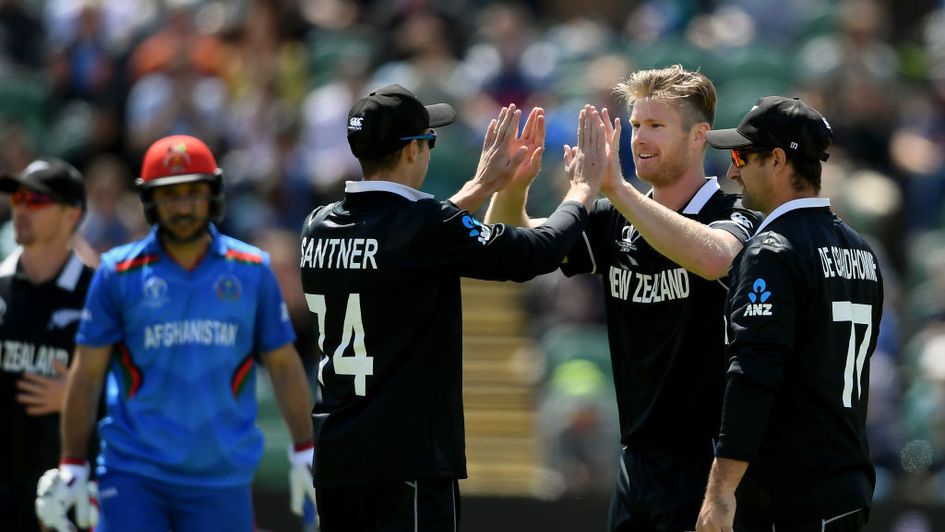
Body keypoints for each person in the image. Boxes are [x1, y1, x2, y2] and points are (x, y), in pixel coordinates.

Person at [299, 83, 606, 531]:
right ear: (411, 152)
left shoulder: (318, 225)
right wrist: (580, 192)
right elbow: (535, 253)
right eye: (429, 140)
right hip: (405, 462)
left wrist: (481, 186)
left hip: (337, 458)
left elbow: (404, 239)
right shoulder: (423, 227)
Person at [486, 65, 759, 531]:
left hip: (710, 464)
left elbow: (714, 260)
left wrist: (619, 188)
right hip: (636, 461)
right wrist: (513, 186)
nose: (640, 139)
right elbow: (512, 250)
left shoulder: (734, 214)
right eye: (634, 126)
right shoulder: (615, 218)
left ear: (699, 136)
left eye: (656, 126)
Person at [35, 135, 317, 532]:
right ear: (149, 200)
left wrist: (304, 449)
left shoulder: (252, 269)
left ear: (214, 193)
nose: (183, 206)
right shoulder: (117, 272)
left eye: (193, 193)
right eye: (170, 195)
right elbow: (86, 375)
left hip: (222, 479)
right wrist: (73, 463)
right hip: (133, 475)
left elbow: (285, 366)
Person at [696, 97, 884, 532]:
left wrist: (720, 492)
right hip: (847, 488)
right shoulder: (861, 250)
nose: (732, 171)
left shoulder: (772, 251)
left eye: (742, 156)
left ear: (778, 160)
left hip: (791, 499)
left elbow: (754, 374)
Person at [0, 159, 93, 532]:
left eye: (36, 201)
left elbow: (131, 392)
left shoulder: (98, 295)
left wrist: (78, 398)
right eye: (17, 199)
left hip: (64, 494)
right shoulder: (0, 286)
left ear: (73, 214)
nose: (21, 209)